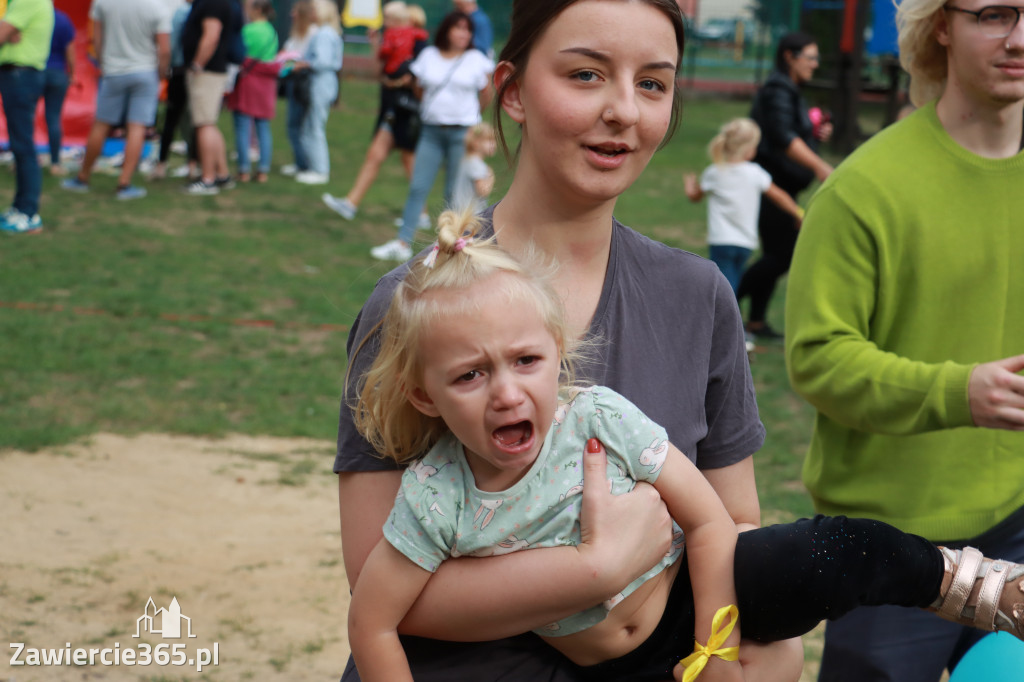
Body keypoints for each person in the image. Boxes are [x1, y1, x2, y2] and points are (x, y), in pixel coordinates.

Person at [345, 207, 1024, 682]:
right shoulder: (436, 495)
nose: (505, 393)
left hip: (691, 595)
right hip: (605, 666)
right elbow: (373, 623)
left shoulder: (597, 417)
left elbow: (707, 520)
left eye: (525, 360)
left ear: (557, 354)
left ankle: (976, 586)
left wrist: (718, 649)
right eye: (470, 374)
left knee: (817, 552)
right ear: (426, 397)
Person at [336, 2, 808, 680]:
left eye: (653, 82)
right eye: (586, 75)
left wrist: (746, 651)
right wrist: (595, 568)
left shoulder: (700, 295)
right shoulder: (412, 307)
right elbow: (380, 591)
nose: (623, 110)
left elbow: (733, 523)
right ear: (513, 92)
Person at [784, 1, 1024, 680]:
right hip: (886, 547)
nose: (1020, 38)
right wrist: (958, 392)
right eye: (996, 13)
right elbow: (817, 357)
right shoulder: (863, 190)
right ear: (940, 25)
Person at [369, 10, 494, 262]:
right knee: (418, 186)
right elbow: (418, 88)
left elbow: (486, 93)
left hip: (462, 133)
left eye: (467, 29)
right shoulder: (428, 56)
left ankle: (450, 246)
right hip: (431, 132)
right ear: (446, 30)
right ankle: (403, 241)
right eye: (458, 28)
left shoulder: (475, 59)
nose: (463, 33)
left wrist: (470, 117)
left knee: (454, 192)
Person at [735, 32, 833, 342]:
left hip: (782, 187)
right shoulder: (778, 90)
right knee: (785, 253)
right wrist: (819, 166)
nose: (815, 64)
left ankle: (757, 321)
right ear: (790, 57)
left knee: (776, 252)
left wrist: (816, 133)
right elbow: (781, 137)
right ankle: (726, 300)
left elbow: (795, 133)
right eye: (811, 57)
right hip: (768, 186)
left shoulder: (789, 91)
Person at [321, 1, 429, 222]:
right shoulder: (390, 38)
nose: (386, 23)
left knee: (409, 160)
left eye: (389, 19)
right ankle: (351, 203)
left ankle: (422, 212)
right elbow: (380, 70)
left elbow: (417, 77)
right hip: (391, 107)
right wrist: (375, 44)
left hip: (407, 110)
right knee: (375, 155)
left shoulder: (419, 42)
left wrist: (397, 83)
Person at [61, 0, 170, 201]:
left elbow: (96, 39)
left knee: (101, 124)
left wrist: (104, 64)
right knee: (137, 127)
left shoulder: (103, 2)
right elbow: (164, 50)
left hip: (113, 71)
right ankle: (124, 183)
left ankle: (83, 177)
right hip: (145, 72)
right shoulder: (157, 6)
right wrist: (161, 76)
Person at [683, 118, 804, 295]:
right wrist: (799, 213)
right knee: (731, 289)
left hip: (721, 241)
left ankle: (725, 321)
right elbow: (779, 196)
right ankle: (730, 320)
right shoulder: (755, 173)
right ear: (748, 150)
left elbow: (695, 197)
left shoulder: (714, 172)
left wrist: (690, 189)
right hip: (745, 243)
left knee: (724, 291)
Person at [0, 0, 53, 234]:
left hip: (21, 76)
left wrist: (6, 32)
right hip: (20, 75)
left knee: (23, 146)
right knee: (21, 145)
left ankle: (28, 213)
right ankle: (21, 207)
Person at [180, 0, 239, 195]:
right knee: (209, 123)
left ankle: (208, 179)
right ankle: (221, 174)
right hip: (211, 71)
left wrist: (197, 64)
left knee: (203, 123)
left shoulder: (213, 3)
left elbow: (211, 36)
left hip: (206, 72)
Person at [291, 0, 343, 186]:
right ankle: (311, 166)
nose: (311, 12)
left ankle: (320, 170)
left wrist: (303, 63)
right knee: (310, 126)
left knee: (315, 127)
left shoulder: (323, 34)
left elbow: (322, 61)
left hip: (321, 83)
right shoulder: (328, 32)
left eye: (314, 9)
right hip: (324, 83)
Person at [227, 0, 279, 183]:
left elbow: (238, 53)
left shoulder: (248, 30)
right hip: (267, 84)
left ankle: (244, 170)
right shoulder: (272, 32)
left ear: (257, 10)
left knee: (242, 125)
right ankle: (263, 170)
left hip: (248, 81)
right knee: (263, 127)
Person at [152, 0, 197, 182]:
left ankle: (161, 165)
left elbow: (172, 44)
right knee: (194, 121)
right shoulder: (199, 11)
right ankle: (193, 165)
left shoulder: (181, 13)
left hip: (179, 71)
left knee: (171, 120)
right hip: (197, 72)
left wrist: (166, 69)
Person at [42, 7, 75, 177]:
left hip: (34, 71)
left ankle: (22, 161)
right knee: (53, 119)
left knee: (24, 119)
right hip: (57, 74)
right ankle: (55, 163)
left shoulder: (33, 16)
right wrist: (72, 73)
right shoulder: (62, 19)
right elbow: (70, 50)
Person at [450, 121, 496, 214]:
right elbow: (483, 191)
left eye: (494, 140)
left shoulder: (467, 160)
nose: (494, 144)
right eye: (489, 140)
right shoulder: (476, 165)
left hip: (460, 212)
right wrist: (491, 177)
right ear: (476, 143)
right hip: (470, 215)